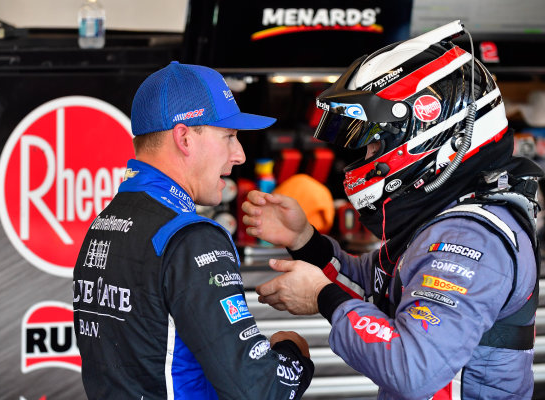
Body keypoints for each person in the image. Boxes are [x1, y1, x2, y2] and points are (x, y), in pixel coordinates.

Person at [242, 21, 542, 399]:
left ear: (431, 135)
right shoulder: (442, 223)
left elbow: (412, 369)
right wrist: (303, 240)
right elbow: (371, 288)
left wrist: (322, 297)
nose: (364, 158)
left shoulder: (469, 239)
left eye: (373, 144)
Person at [73, 61, 314, 399]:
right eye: (228, 136)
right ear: (184, 137)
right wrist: (293, 353)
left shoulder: (106, 223)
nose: (239, 155)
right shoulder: (191, 239)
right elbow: (258, 390)